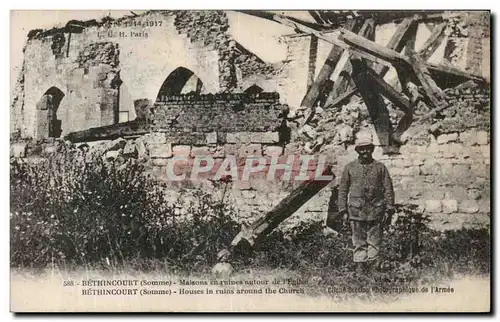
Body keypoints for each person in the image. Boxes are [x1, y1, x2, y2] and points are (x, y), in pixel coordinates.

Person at [337, 137, 395, 273]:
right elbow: (343, 189)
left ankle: (374, 265)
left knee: (374, 239)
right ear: (357, 150)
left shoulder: (380, 168)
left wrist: (390, 208)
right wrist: (343, 210)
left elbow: (388, 188)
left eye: (368, 148)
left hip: (376, 209)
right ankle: (360, 266)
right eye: (362, 149)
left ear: (372, 150)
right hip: (356, 210)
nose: (365, 151)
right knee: (358, 240)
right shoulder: (350, 167)